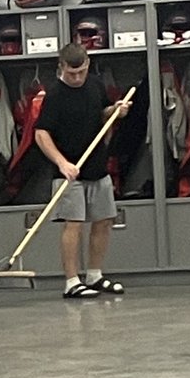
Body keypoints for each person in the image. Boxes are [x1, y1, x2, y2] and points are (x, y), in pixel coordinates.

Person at [34, 43, 131, 298]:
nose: (77, 78)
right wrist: (61, 163)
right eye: (71, 73)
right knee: (73, 224)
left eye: (81, 72)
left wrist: (115, 111)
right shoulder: (54, 95)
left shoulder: (95, 84)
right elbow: (41, 134)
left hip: (96, 165)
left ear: (87, 64)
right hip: (69, 171)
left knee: (104, 220)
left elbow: (102, 113)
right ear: (61, 67)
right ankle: (71, 282)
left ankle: (94, 275)